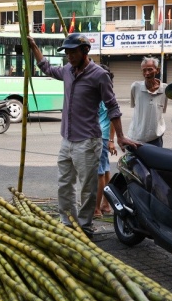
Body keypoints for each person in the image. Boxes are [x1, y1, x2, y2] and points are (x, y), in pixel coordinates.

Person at [28, 33, 137, 236]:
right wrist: (34, 46)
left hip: (88, 141)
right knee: (64, 184)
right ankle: (68, 222)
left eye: (73, 52)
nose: (69, 56)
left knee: (88, 188)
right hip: (66, 139)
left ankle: (85, 226)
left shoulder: (99, 75)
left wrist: (119, 136)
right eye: (67, 52)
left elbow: (112, 106)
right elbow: (47, 68)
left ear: (85, 51)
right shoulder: (68, 71)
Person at [128, 57, 168, 147]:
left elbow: (161, 110)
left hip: (156, 138)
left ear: (157, 70)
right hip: (136, 137)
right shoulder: (135, 87)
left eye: (150, 70)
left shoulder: (165, 89)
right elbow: (135, 106)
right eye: (144, 70)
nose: (146, 73)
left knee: (156, 161)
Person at [95, 65, 115, 218]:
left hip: (100, 137)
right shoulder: (108, 93)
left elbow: (114, 119)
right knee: (106, 170)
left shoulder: (102, 94)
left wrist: (110, 140)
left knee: (99, 173)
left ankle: (96, 209)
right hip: (104, 137)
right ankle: (106, 205)